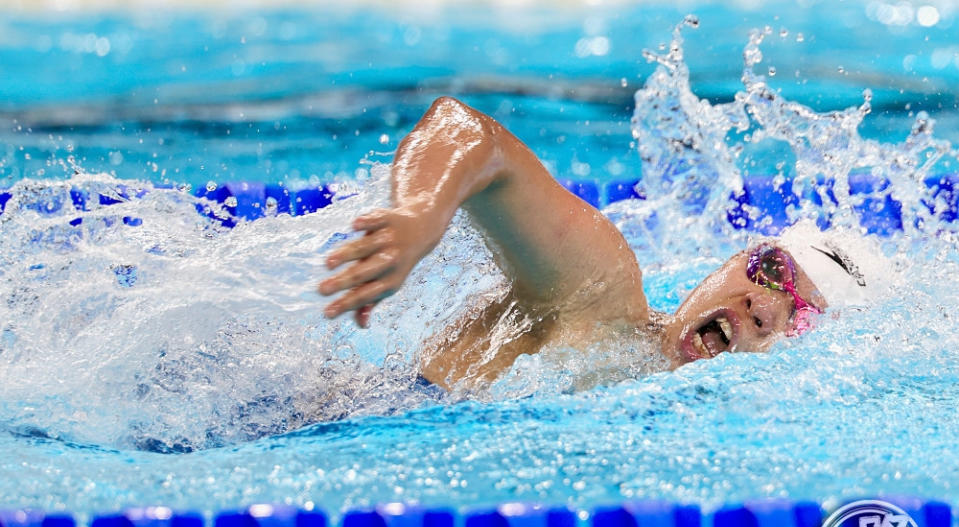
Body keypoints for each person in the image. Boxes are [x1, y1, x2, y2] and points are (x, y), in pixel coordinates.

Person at [318, 97, 860, 390]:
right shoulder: (597, 293)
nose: (764, 307)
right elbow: (467, 131)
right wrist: (420, 212)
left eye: (801, 317)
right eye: (770, 271)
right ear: (730, 261)